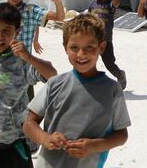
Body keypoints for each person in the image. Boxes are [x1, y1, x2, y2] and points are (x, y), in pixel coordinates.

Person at [23, 14, 130, 168]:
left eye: (89, 47)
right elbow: (29, 124)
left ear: (101, 47)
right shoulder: (54, 84)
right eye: (74, 47)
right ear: (65, 48)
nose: (81, 54)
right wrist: (45, 139)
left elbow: (121, 135)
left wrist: (93, 146)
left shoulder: (112, 89)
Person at [0, 3, 57, 168]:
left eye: (6, 31)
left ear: (17, 32)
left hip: (12, 144)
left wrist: (28, 56)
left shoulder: (20, 61)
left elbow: (52, 75)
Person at [86, 0, 127, 89]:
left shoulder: (109, 4)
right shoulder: (92, 5)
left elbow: (117, 2)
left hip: (106, 41)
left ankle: (120, 75)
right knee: (88, 61)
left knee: (109, 64)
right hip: (93, 40)